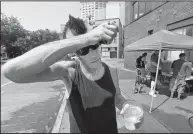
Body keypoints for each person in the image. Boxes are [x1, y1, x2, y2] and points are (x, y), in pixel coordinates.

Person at [2, 15, 143, 133]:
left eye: (95, 44)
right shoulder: (69, 72)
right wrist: (86, 39)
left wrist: (126, 106)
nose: (92, 53)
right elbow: (11, 72)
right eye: (82, 49)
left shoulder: (112, 71)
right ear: (75, 51)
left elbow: (116, 96)